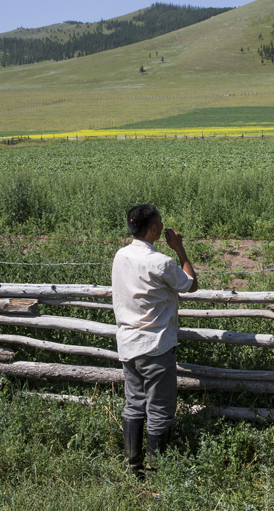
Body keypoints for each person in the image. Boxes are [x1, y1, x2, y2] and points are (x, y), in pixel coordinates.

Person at [111, 204, 198, 480]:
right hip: (156, 345)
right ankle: (156, 471)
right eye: (159, 222)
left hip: (128, 344)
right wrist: (180, 250)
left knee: (134, 404)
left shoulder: (120, 256)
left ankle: (133, 467)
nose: (162, 225)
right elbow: (191, 284)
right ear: (154, 229)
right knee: (159, 409)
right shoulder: (160, 262)